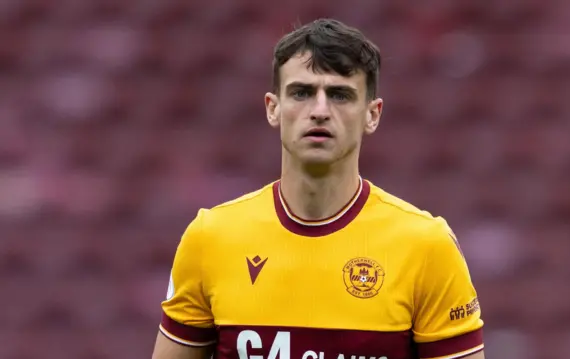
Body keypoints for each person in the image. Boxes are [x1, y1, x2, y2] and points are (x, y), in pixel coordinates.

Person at [151, 18, 485, 359]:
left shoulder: (426, 247)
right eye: (302, 92)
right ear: (273, 108)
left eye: (340, 95)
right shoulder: (211, 240)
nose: (320, 111)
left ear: (372, 115)